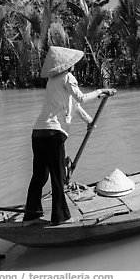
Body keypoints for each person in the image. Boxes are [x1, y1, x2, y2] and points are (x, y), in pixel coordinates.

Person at [23, 46, 116, 225]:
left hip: (38, 133)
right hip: (53, 134)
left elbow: (73, 105)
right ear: (68, 65)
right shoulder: (68, 77)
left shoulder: (52, 81)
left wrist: (88, 121)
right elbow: (80, 99)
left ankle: (31, 215)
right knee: (58, 176)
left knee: (39, 176)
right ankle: (61, 217)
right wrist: (100, 92)